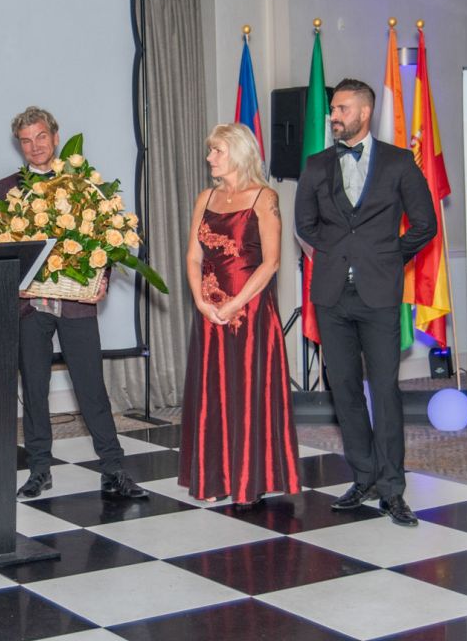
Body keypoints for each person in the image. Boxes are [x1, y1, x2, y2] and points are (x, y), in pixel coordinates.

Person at [295, 78, 436, 526]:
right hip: (331, 296)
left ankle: (393, 489)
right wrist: (338, 253)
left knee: (385, 391)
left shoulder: (399, 162)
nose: (333, 116)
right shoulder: (317, 164)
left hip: (379, 295)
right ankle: (364, 476)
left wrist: (390, 256)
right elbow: (304, 223)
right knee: (345, 390)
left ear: (364, 111)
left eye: (341, 108)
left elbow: (426, 223)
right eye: (332, 109)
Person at [0, 106, 148, 500]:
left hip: (77, 302)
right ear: (19, 145)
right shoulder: (6, 188)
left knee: (91, 387)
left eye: (41, 137)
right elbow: (0, 247)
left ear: (56, 137)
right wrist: (14, 284)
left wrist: (102, 280)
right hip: (31, 306)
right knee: (34, 390)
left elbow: (106, 238)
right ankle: (39, 470)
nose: (35, 146)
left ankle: (113, 469)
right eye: (26, 141)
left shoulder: (83, 184)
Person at [179, 124, 301, 507]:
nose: (209, 158)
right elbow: (193, 256)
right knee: (213, 392)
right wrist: (201, 302)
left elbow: (271, 263)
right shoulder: (206, 197)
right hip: (209, 309)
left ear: (238, 152)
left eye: (216, 150)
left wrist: (235, 304)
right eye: (210, 150)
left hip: (250, 311)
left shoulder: (265, 197)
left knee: (248, 389)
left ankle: (250, 478)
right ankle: (215, 477)